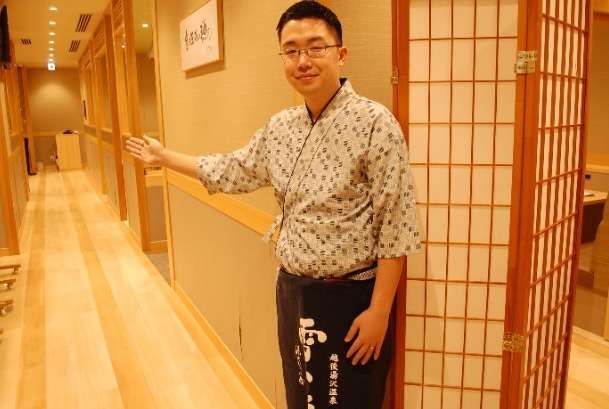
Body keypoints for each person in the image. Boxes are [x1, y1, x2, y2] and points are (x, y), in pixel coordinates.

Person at [126, 1, 421, 407]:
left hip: (353, 298)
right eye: (291, 50)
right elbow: (234, 169)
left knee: (349, 399)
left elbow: (396, 225)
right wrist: (166, 158)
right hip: (292, 291)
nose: (303, 60)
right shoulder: (281, 127)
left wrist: (380, 311)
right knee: (301, 396)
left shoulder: (376, 122)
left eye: (316, 47)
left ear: (340, 53)